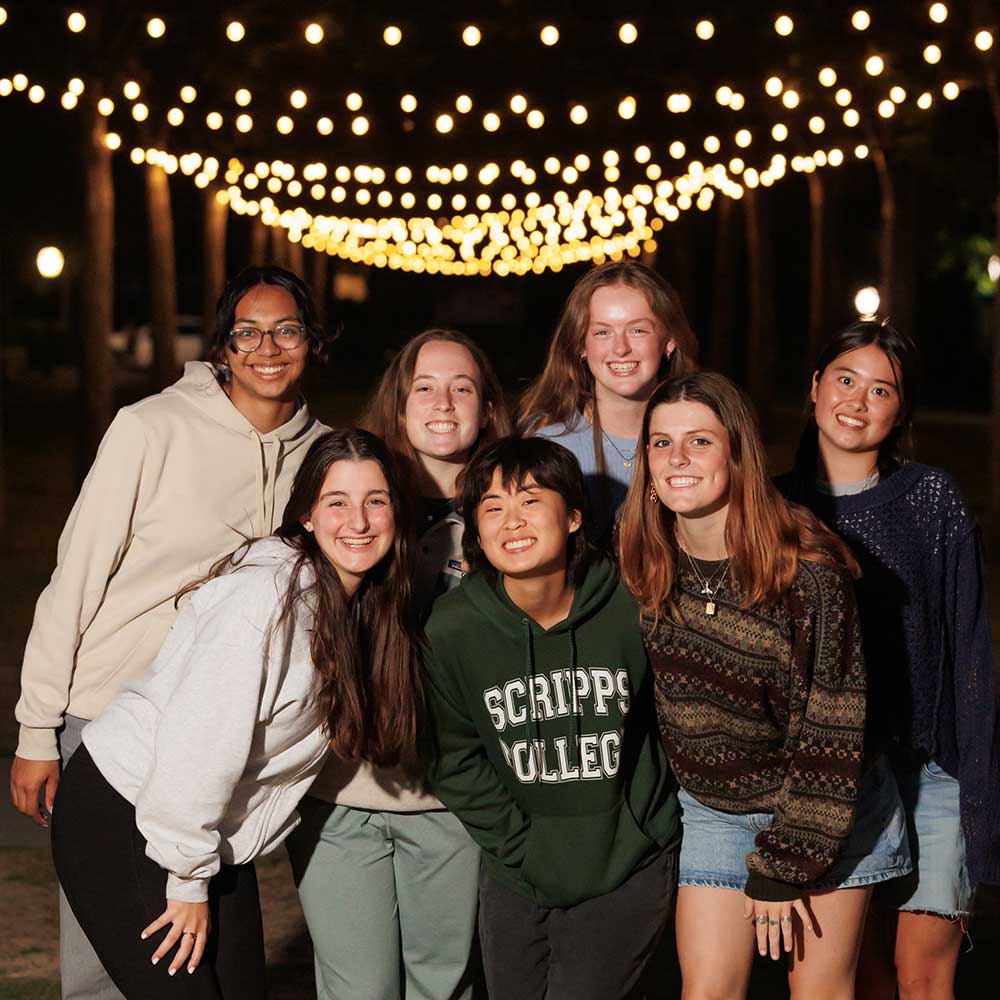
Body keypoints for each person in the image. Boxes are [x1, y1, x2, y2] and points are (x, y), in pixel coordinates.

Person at [10, 265, 332, 1000]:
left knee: (196, 941)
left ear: (312, 341)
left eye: (287, 330)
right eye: (247, 332)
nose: (267, 348)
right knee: (103, 958)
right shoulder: (150, 428)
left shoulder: (322, 456)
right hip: (108, 716)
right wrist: (37, 729)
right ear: (222, 345)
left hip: (220, 737)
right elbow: (76, 577)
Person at [51, 428, 423, 999]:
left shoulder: (360, 605)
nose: (360, 521)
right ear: (306, 514)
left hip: (204, 831)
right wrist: (188, 881)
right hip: (127, 811)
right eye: (338, 502)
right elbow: (199, 747)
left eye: (376, 500)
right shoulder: (265, 602)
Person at [618, 372, 911, 1000]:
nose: (677, 460)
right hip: (716, 807)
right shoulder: (645, 560)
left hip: (827, 803)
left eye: (699, 442)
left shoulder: (807, 575)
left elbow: (830, 732)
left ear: (736, 452)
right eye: (661, 444)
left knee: (819, 992)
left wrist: (784, 868)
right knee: (707, 992)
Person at [777, 322, 1000, 1000]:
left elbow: (970, 651)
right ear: (814, 387)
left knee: (923, 979)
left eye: (882, 389)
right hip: (828, 784)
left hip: (929, 771)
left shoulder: (933, 500)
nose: (857, 400)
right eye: (845, 379)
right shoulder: (773, 508)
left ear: (900, 411)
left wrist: (979, 800)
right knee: (855, 975)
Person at [285, 329, 510, 999]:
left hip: (453, 802)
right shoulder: (361, 504)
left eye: (462, 387)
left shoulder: (511, 513)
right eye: (425, 387)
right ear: (399, 400)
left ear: (487, 405)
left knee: (442, 985)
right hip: (342, 794)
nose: (443, 403)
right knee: (360, 989)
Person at [422, 435, 680, 1000]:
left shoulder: (630, 603)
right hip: (516, 869)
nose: (511, 521)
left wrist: (643, 824)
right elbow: (453, 754)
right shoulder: (453, 629)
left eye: (530, 501)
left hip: (625, 861)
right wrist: (519, 847)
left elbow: (673, 720)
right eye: (492, 508)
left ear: (573, 517)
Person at [517, 260, 698, 535]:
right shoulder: (546, 443)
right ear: (580, 345)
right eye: (602, 332)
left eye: (637, 330)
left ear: (669, 341)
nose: (621, 348)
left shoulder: (704, 438)